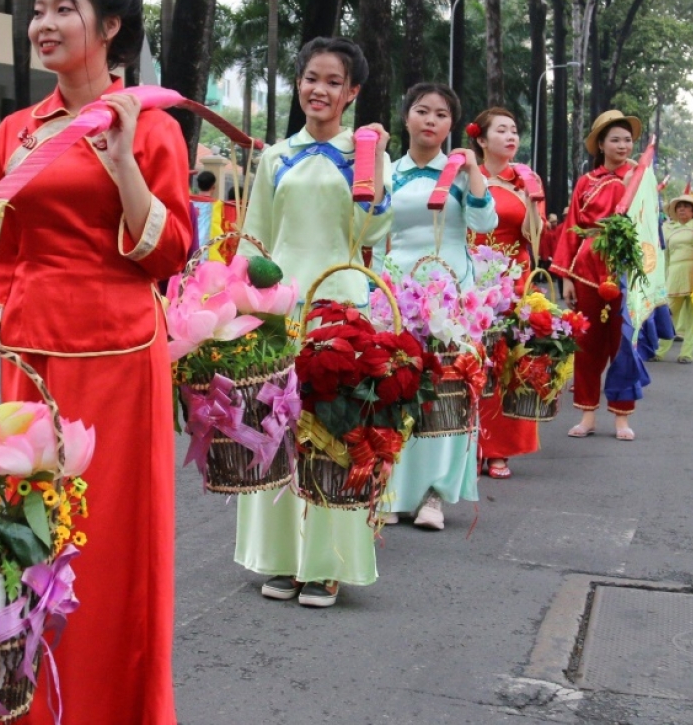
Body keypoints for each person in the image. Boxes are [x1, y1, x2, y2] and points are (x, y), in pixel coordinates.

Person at [0, 0, 190, 725]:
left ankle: (113, 706)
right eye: (38, 10)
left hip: (121, 360)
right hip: (33, 357)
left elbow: (168, 254)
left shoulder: (151, 127)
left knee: (110, 546)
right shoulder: (18, 133)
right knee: (31, 536)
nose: (44, 25)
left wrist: (123, 162)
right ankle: (32, 703)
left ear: (111, 28)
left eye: (64, 10)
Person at [234, 36, 392, 609]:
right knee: (275, 433)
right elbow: (255, 237)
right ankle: (279, 558)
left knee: (333, 437)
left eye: (333, 82)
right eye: (310, 79)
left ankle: (326, 564)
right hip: (279, 310)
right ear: (297, 84)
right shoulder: (276, 157)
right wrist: (243, 304)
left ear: (352, 93)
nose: (319, 90)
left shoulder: (368, 154)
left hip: (341, 308)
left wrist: (369, 169)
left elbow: (371, 234)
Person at [380, 83, 493, 528]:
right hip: (398, 290)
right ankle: (392, 488)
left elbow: (485, 222)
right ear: (405, 118)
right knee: (396, 386)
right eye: (422, 111)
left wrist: (474, 173)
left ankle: (435, 494)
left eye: (441, 114)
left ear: (452, 125)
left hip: (452, 292)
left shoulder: (460, 173)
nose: (431, 120)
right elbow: (373, 231)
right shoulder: (390, 172)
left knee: (447, 390)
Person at [551, 110, 641, 442]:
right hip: (588, 268)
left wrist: (633, 188)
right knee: (587, 346)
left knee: (623, 346)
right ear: (600, 145)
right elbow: (572, 228)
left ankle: (621, 417)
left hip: (625, 270)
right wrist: (567, 276)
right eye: (615, 139)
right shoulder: (587, 182)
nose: (622, 145)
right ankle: (587, 414)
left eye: (628, 139)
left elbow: (648, 229)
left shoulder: (641, 179)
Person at [469, 107, 546, 479]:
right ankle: (469, 443)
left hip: (514, 279)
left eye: (514, 130)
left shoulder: (526, 180)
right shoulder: (469, 177)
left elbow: (534, 239)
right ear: (482, 140)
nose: (511, 136)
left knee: (507, 363)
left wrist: (532, 201)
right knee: (471, 361)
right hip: (471, 280)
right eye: (501, 130)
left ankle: (499, 449)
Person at [656, 195, 693, 363]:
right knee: (668, 313)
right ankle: (659, 351)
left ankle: (687, 353)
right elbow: (665, 255)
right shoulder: (667, 228)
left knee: (692, 316)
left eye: (686, 206)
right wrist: (663, 276)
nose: (682, 209)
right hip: (675, 272)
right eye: (679, 207)